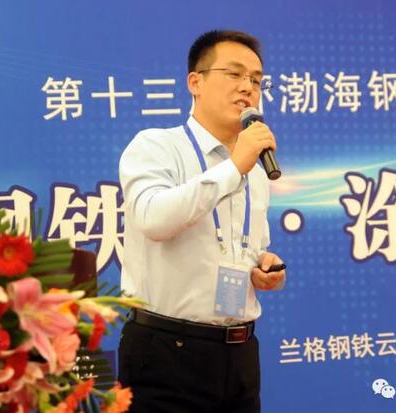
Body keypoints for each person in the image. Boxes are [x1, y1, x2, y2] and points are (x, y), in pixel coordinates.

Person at [118, 29, 286, 413]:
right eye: (234, 74)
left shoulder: (256, 168)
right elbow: (154, 218)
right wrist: (235, 166)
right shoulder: (156, 146)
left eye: (256, 80)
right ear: (195, 82)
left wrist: (263, 266)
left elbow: (247, 246)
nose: (247, 87)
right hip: (167, 351)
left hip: (240, 353)